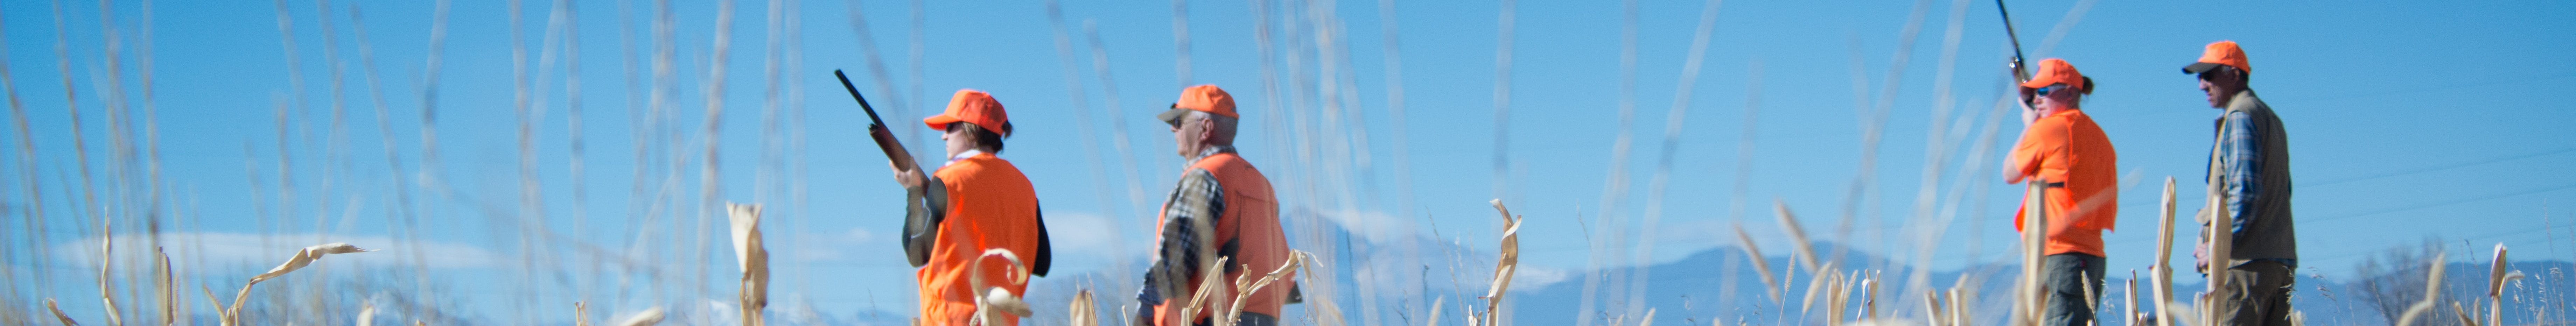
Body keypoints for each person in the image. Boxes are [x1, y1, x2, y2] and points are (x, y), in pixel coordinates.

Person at [1135, 85, 1295, 326]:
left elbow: (1177, 256)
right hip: (1264, 317)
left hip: (1210, 317)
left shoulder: (1205, 176)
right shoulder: (1260, 182)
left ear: (1206, 128)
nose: (1172, 129)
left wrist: (1146, 310)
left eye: (1179, 122)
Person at [894, 89, 1052, 325]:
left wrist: (914, 192)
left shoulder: (950, 180)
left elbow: (916, 252)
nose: (944, 137)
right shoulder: (1024, 186)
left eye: (950, 128)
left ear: (970, 130)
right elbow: (1042, 263)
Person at [2184, 40, 2296, 326]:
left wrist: (2216, 247)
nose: (2201, 85)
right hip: (2276, 263)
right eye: (2200, 77)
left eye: (2208, 75)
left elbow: (2245, 192)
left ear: (2234, 74)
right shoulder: (2267, 117)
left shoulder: (2240, 117)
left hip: (2246, 266)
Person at [2004, 58, 2119, 326]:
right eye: (2034, 92)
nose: (2038, 98)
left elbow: (2010, 173)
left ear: (2069, 93)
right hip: (2091, 257)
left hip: (2059, 255)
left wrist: (2029, 125)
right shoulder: (2100, 136)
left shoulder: (2049, 129)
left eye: (2044, 91)